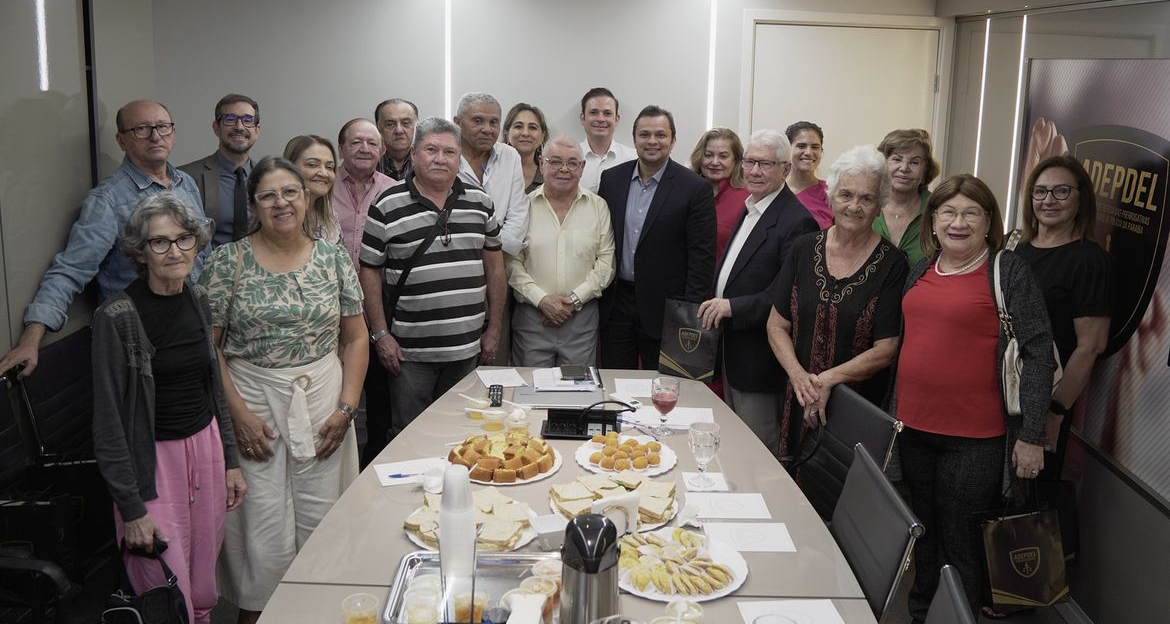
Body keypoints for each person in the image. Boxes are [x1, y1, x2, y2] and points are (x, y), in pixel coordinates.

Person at [200, 157, 367, 624]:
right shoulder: (227, 261)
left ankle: (325, 612)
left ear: (307, 197)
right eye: (268, 195)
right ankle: (259, 614)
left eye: (290, 192)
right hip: (253, 402)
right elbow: (208, 348)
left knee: (324, 518)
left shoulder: (333, 258)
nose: (281, 203)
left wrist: (346, 408)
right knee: (261, 522)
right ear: (253, 206)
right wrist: (237, 415)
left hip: (324, 401)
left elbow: (356, 338)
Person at [892, 174, 1054, 623]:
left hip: (976, 438)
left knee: (961, 539)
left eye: (970, 213)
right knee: (923, 532)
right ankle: (921, 613)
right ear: (933, 220)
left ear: (988, 222)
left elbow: (1039, 353)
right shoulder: (922, 269)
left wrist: (1032, 435)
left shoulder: (1007, 272)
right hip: (913, 428)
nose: (957, 222)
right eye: (947, 212)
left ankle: (956, 616)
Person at [92, 192, 245, 624]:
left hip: (206, 449)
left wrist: (231, 461)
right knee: (164, 589)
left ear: (196, 244)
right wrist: (132, 509)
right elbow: (108, 424)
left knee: (202, 587)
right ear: (141, 252)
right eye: (159, 242)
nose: (174, 251)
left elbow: (213, 387)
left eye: (183, 239)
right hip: (153, 464)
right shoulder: (116, 317)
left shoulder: (198, 298)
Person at [0, 99, 205, 379]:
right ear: (121, 141)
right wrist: (31, 337)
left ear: (173, 132)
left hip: (188, 324)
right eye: (142, 129)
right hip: (140, 342)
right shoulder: (108, 200)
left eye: (162, 126)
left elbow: (201, 255)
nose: (156, 136)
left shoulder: (186, 184)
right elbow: (71, 269)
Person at [359, 117, 506, 437]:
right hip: (409, 354)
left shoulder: (480, 202)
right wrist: (380, 335)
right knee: (410, 436)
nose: (441, 159)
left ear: (459, 158)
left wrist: (494, 328)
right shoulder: (386, 204)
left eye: (449, 152)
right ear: (413, 154)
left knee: (462, 432)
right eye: (431, 150)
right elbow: (369, 271)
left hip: (467, 349)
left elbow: (495, 268)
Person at [765, 146, 906, 459]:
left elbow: (886, 349)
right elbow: (776, 325)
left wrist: (828, 379)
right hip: (798, 397)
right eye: (846, 195)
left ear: (880, 205)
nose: (854, 206)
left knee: (841, 484)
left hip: (855, 409)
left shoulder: (893, 265)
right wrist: (799, 377)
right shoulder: (803, 249)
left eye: (867, 198)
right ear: (831, 197)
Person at [696, 130, 817, 455]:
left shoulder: (797, 221)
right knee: (733, 444)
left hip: (759, 358)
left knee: (757, 450)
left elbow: (786, 296)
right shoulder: (752, 206)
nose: (754, 171)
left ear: (785, 169)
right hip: (732, 349)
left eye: (765, 164)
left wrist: (732, 307)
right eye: (749, 162)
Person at [1016, 155, 1113, 480]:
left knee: (1027, 498)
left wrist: (1055, 411)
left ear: (1081, 198)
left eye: (1061, 191)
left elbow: (1090, 346)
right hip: (1006, 392)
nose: (1048, 200)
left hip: (1045, 403)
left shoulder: (1089, 261)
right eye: (1040, 191)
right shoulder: (1019, 248)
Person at [598, 105, 716, 370]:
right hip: (616, 304)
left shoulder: (695, 188)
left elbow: (702, 257)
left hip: (667, 310)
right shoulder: (611, 180)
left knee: (664, 386)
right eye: (645, 134)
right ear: (634, 139)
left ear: (673, 140)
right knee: (615, 381)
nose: (652, 141)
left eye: (660, 135)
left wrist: (688, 315)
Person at [507, 136, 615, 366]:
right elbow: (512, 263)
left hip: (581, 322)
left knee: (577, 388)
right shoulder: (523, 206)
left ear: (582, 167)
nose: (564, 169)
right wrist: (542, 300)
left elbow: (606, 263)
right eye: (555, 161)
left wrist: (572, 301)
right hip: (532, 320)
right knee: (531, 386)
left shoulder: (599, 207)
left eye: (572, 163)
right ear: (541, 163)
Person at [180, 94, 261, 247]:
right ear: (216, 128)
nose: (239, 127)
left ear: (257, 130)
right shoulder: (186, 178)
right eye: (230, 119)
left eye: (248, 120)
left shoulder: (266, 177)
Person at [454, 92, 529, 257]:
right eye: (477, 121)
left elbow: (518, 213)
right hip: (455, 256)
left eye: (494, 122)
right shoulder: (445, 157)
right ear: (457, 123)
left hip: (501, 257)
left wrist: (494, 256)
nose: (487, 129)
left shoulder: (509, 156)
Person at [332, 118, 396, 267]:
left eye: (372, 144)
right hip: (329, 279)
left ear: (382, 151)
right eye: (356, 142)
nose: (365, 149)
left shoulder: (393, 191)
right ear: (341, 150)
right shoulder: (324, 186)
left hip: (378, 279)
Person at [872, 128, 939, 266]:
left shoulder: (937, 209)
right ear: (882, 164)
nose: (904, 168)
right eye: (897, 159)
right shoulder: (867, 204)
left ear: (925, 169)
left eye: (914, 162)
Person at [688, 127, 750, 263]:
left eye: (723, 156)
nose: (715, 162)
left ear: (736, 160)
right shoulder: (686, 192)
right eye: (708, 155)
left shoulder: (748, 199)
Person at [579, 87, 637, 193]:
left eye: (607, 113)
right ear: (582, 118)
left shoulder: (634, 159)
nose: (601, 119)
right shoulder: (569, 159)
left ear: (616, 119)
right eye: (593, 112)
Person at [283, 135, 340, 242]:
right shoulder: (279, 214)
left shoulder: (329, 214)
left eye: (329, 167)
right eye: (312, 165)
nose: (324, 173)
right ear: (290, 168)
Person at [785, 121, 833, 229]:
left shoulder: (831, 193)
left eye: (815, 147)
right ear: (788, 149)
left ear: (821, 151)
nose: (808, 152)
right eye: (801, 146)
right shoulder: (773, 190)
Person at [502, 102, 550, 193]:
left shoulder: (549, 176)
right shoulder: (491, 172)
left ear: (542, 136)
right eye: (518, 126)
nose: (525, 133)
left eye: (532, 128)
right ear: (507, 133)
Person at [375, 98, 418, 180]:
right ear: (378, 128)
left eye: (405, 123)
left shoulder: (426, 161)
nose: (399, 130)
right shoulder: (368, 161)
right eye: (390, 124)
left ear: (416, 126)